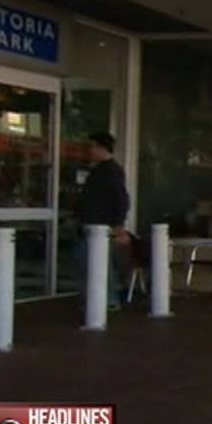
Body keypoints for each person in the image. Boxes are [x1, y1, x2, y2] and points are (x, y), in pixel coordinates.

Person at [76, 132, 130, 311]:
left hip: (100, 225)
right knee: (90, 262)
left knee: (98, 264)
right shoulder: (99, 170)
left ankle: (107, 299)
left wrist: (118, 224)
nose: (90, 151)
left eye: (92, 146)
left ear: (101, 148)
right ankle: (98, 299)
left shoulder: (110, 171)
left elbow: (120, 199)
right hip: (92, 223)